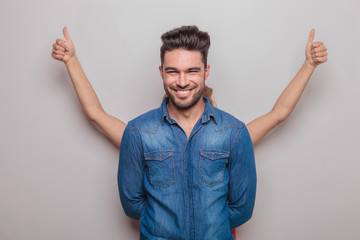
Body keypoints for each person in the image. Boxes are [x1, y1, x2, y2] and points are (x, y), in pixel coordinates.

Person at [51, 26, 327, 240]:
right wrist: (71, 61)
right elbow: (95, 114)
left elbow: (278, 114)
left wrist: (309, 65)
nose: (183, 81)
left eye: (192, 72)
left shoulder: (231, 134)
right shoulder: (140, 134)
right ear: (162, 73)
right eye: (174, 72)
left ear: (205, 73)